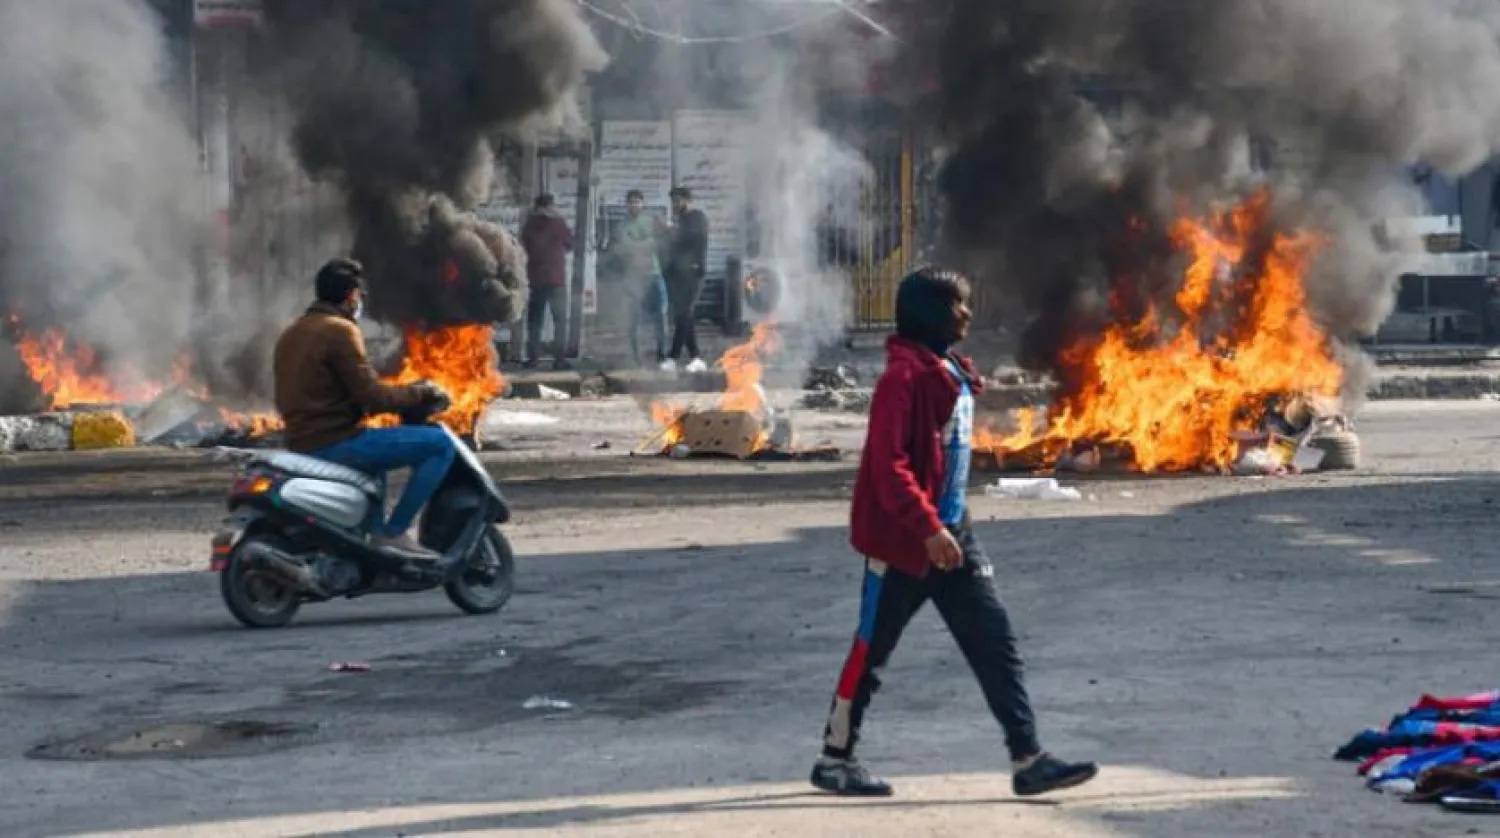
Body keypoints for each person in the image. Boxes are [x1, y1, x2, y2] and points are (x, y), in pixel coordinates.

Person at [810, 267, 1099, 798]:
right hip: (904, 541)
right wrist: (925, 530)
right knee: (871, 651)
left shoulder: (945, 368)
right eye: (957, 304)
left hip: (953, 534)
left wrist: (946, 527)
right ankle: (835, 759)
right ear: (929, 313)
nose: (967, 313)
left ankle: (1028, 758)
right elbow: (887, 466)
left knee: (995, 642)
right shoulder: (902, 379)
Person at [272, 258, 453, 561]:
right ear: (350, 295)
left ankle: (367, 533)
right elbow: (373, 396)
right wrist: (421, 392)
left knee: (377, 453)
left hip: (300, 441)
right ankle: (393, 532)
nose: (361, 300)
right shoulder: (339, 330)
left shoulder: (293, 332)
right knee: (439, 446)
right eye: (359, 293)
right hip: (334, 442)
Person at [604, 189, 668, 366]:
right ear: (626, 205)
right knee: (635, 319)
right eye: (631, 202)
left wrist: (636, 245)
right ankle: (637, 356)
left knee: (661, 316)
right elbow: (624, 248)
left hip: (654, 274)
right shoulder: (621, 226)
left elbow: (655, 244)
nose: (635, 205)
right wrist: (643, 245)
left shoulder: (650, 221)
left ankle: (661, 354)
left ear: (643, 203)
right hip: (633, 278)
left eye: (638, 201)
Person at [520, 193, 574, 370]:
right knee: (557, 321)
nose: (549, 209)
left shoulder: (530, 225)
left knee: (537, 321)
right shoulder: (557, 223)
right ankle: (558, 359)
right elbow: (569, 244)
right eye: (548, 206)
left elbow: (523, 248)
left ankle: (534, 358)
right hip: (553, 279)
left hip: (539, 279)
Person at [663, 186, 709, 373]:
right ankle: (696, 357)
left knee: (685, 313)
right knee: (684, 315)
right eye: (672, 201)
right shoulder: (680, 220)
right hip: (678, 274)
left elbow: (694, 238)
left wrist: (673, 231)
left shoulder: (697, 217)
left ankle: (673, 357)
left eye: (677, 201)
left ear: (687, 200)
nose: (674, 205)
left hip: (693, 272)